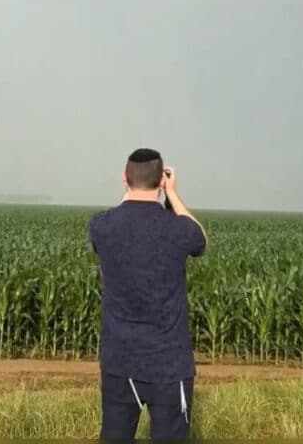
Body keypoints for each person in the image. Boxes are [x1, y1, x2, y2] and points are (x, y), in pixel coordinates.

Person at [87, 148, 208, 441]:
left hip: (119, 361)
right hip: (169, 364)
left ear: (124, 179)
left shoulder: (101, 226)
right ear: (162, 182)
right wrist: (174, 195)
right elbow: (201, 240)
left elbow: (119, 213)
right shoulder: (178, 229)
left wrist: (129, 191)